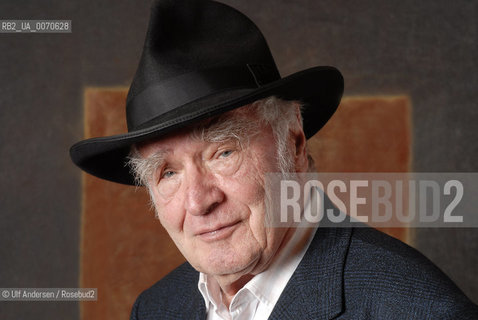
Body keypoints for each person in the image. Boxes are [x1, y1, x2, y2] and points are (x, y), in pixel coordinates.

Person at [70, 0, 478, 319]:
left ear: (295, 144)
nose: (198, 202)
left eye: (223, 152)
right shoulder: (157, 310)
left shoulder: (416, 309)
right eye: (168, 172)